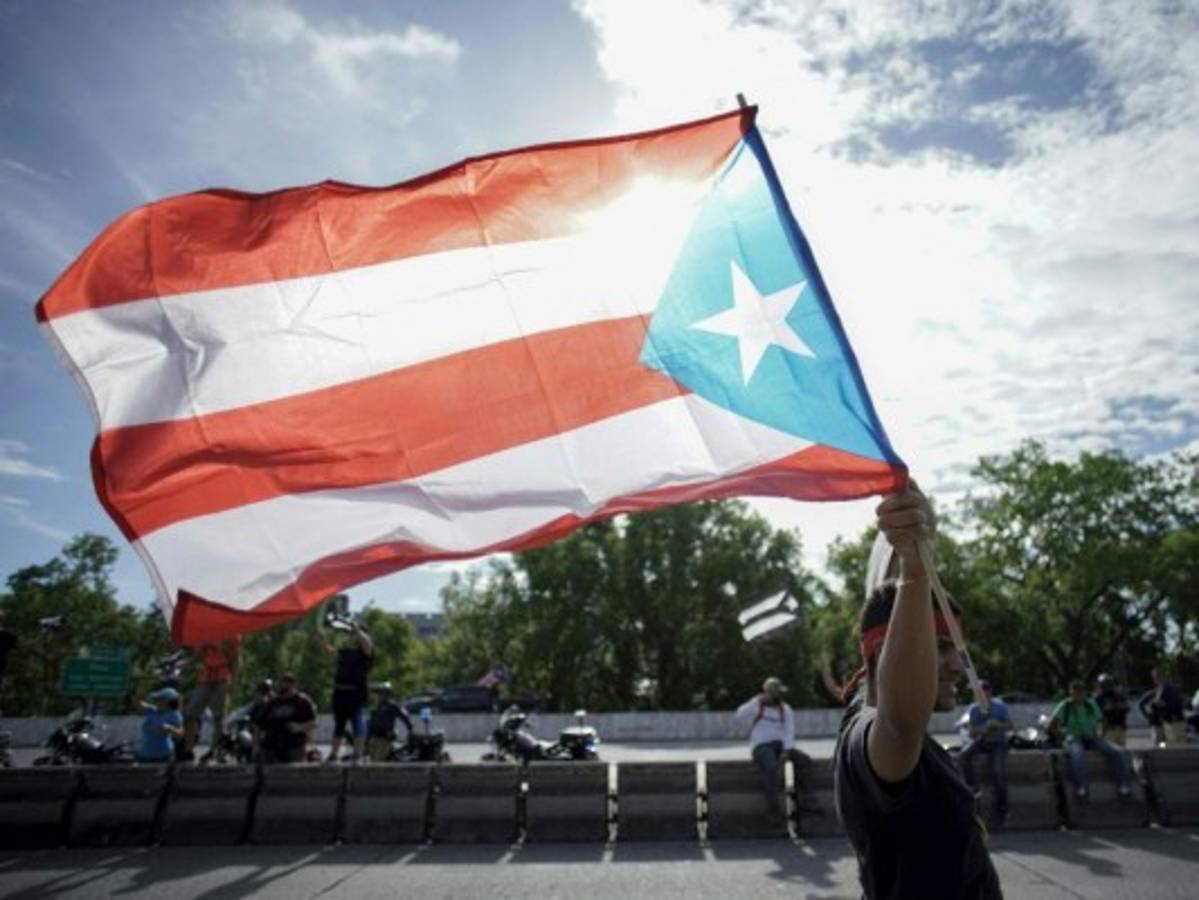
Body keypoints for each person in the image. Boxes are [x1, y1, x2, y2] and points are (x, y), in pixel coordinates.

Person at [833, 485, 1002, 899]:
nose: (958, 664)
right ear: (884, 650)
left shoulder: (862, 711)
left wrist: (915, 550)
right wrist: (914, 572)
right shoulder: (870, 739)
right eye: (941, 647)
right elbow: (901, 720)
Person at [733, 676, 811, 826]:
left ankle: (808, 801)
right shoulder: (757, 705)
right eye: (776, 694)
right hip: (762, 746)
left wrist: (787, 750)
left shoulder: (785, 709)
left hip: (781, 746)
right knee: (771, 768)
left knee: (804, 761)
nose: (779, 697)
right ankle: (773, 812)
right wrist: (756, 701)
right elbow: (739, 715)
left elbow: (789, 731)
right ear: (768, 693)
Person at [1049, 681, 1132, 799]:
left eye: (1081, 692)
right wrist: (1062, 736)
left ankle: (1123, 785)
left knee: (1116, 751)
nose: (1078, 695)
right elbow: (1052, 724)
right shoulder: (1065, 706)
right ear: (1071, 693)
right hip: (1074, 738)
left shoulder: (1090, 704)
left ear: (1084, 693)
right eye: (1075, 692)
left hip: (1091, 736)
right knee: (1077, 755)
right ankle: (1082, 787)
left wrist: (1101, 734)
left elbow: (1102, 720)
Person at [957, 679, 1013, 829]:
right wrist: (983, 728)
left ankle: (1003, 810)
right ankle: (973, 787)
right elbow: (971, 731)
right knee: (964, 756)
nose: (979, 696)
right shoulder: (974, 709)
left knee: (998, 772)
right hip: (982, 741)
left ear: (989, 693)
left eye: (982, 693)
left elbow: (1010, 725)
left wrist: (996, 724)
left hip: (998, 744)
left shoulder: (999, 707)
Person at [317, 618, 374, 763]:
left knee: (358, 723)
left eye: (354, 633)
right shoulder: (345, 652)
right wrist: (322, 639)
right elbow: (329, 653)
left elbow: (367, 642)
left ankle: (357, 754)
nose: (351, 636)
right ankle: (333, 754)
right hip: (340, 693)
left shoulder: (365, 653)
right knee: (339, 725)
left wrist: (357, 629)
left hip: (357, 693)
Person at [181, 636, 240, 762]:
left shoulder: (232, 632)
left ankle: (213, 750)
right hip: (205, 677)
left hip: (222, 678)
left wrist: (234, 683)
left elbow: (235, 659)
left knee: (219, 717)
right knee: (190, 714)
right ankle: (188, 750)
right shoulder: (203, 631)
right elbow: (199, 656)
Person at [252, 672, 317, 764]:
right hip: (271, 746)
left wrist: (300, 727)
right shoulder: (272, 703)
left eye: (287, 684)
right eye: (281, 683)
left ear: (293, 685)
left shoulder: (302, 701)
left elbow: (313, 723)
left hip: (294, 746)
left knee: (293, 775)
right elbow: (258, 725)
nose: (283, 687)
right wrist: (256, 746)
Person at [1138, 666, 1186, 747]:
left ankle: (1166, 751)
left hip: (1169, 723)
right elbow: (1141, 703)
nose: (1156, 679)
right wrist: (1149, 715)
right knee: (1165, 746)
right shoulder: (1158, 690)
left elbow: (1142, 703)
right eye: (1156, 677)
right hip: (1166, 723)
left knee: (1169, 747)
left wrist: (1149, 714)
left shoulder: (1167, 690)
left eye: (1158, 677)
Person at [366, 682, 413, 762]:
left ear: (387, 693)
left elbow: (404, 716)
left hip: (384, 738)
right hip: (373, 737)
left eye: (382, 693)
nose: (379, 695)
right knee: (372, 761)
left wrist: (410, 728)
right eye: (379, 693)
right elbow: (371, 723)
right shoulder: (376, 707)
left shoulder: (392, 706)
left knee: (377, 762)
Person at [137, 687, 184, 762]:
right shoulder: (151, 710)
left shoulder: (174, 715)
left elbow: (180, 734)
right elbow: (139, 704)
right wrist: (139, 695)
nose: (157, 701)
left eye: (161, 699)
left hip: (164, 756)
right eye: (157, 699)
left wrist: (170, 728)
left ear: (169, 701)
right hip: (145, 756)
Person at [1093, 673, 1130, 747]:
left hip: (1121, 727)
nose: (1107, 685)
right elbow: (1096, 714)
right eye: (1104, 683)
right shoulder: (1099, 698)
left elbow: (1127, 708)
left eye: (1108, 682)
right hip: (1108, 728)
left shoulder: (1118, 695)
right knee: (1112, 750)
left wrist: (1120, 707)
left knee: (1122, 750)